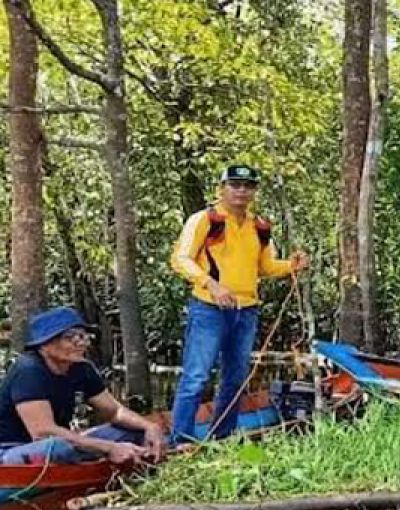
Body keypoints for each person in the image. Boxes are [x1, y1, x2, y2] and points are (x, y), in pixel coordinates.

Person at [171, 164, 309, 443]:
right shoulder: (204, 220)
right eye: (235, 185)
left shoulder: (259, 227)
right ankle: (180, 441)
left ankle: (222, 436)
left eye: (247, 186)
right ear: (222, 188)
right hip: (209, 307)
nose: (241, 191)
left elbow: (265, 266)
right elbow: (180, 259)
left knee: (235, 379)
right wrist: (212, 284)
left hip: (246, 310)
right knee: (196, 378)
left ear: (254, 191)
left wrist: (292, 266)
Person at [0, 307, 166, 465]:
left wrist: (149, 426)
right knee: (59, 448)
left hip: (62, 440)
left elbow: (115, 412)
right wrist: (109, 447)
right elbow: (43, 432)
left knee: (134, 431)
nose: (81, 343)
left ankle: (139, 456)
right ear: (44, 345)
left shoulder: (81, 368)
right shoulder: (29, 370)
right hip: (13, 449)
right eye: (70, 337)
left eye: (83, 336)